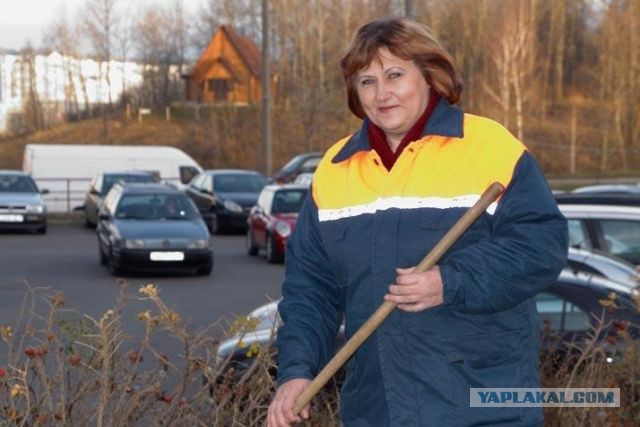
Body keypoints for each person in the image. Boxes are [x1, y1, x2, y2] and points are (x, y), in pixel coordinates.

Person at [267, 17, 568, 427]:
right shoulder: (335, 171)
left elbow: (541, 246)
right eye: (366, 80)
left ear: (430, 76)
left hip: (481, 406)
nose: (381, 93)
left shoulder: (489, 148)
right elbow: (309, 290)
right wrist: (297, 371)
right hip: (376, 410)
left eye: (394, 75)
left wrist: (452, 281)